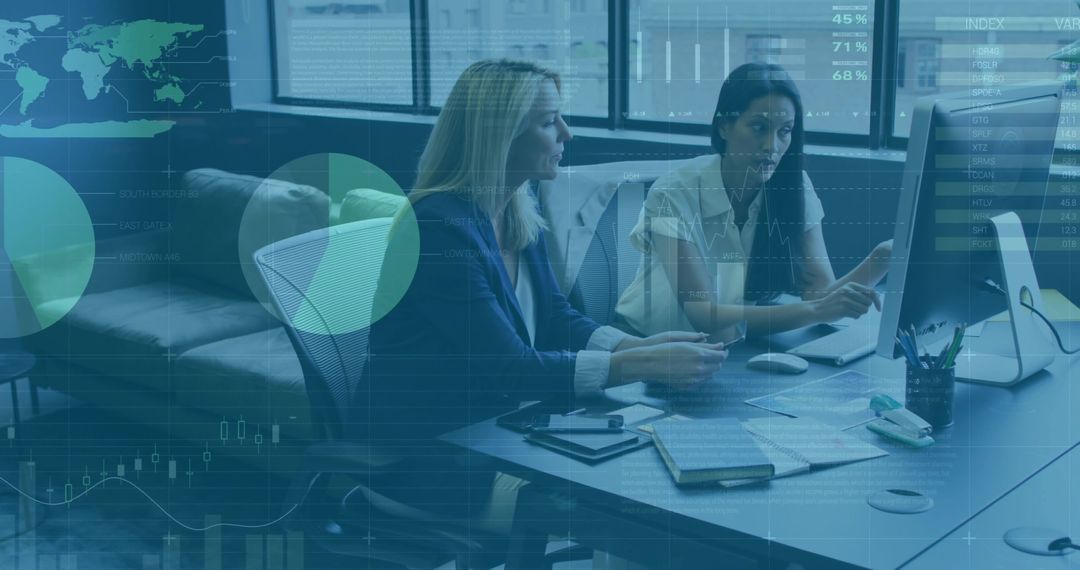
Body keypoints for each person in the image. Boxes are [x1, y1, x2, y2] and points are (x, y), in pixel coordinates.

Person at [358, 60, 729, 529]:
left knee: (658, 478)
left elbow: (554, 316)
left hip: (500, 431)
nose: (567, 134)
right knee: (635, 510)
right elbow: (510, 369)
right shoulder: (437, 230)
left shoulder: (513, 206)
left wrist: (638, 346)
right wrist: (640, 365)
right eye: (549, 122)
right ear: (499, 136)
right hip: (435, 459)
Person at [615, 62, 892, 340]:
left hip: (727, 348)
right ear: (724, 126)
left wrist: (882, 259)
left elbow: (820, 296)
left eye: (785, 131)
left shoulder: (794, 188)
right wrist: (817, 310)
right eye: (759, 127)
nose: (772, 146)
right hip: (648, 346)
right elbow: (704, 314)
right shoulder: (672, 194)